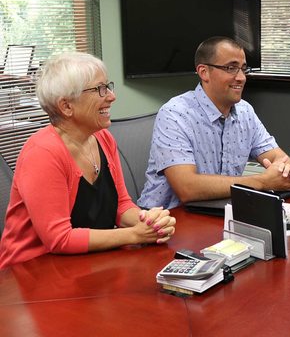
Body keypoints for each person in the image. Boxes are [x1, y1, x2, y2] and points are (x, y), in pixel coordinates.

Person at [0, 52, 176, 269]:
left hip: (83, 264)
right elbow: (59, 239)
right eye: (99, 89)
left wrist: (149, 222)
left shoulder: (102, 138)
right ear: (66, 106)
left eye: (108, 86)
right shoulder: (43, 153)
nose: (111, 96)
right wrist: (134, 235)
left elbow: (120, 205)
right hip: (30, 275)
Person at [138, 36, 290, 209]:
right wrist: (263, 181)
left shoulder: (244, 111)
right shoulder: (175, 114)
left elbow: (279, 158)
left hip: (219, 214)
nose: (241, 77)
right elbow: (187, 188)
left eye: (243, 68)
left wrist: (285, 171)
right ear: (204, 72)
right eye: (231, 68)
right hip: (166, 221)